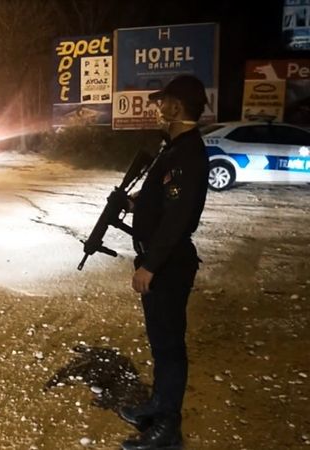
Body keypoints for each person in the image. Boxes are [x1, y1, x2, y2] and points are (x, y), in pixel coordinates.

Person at [119, 74, 210, 450]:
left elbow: (178, 218)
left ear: (176, 106)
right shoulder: (172, 148)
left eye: (162, 103)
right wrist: (138, 203)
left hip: (169, 265)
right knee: (160, 342)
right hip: (161, 259)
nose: (157, 108)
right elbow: (164, 201)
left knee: (170, 346)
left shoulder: (187, 152)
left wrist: (150, 266)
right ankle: (158, 405)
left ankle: (167, 428)